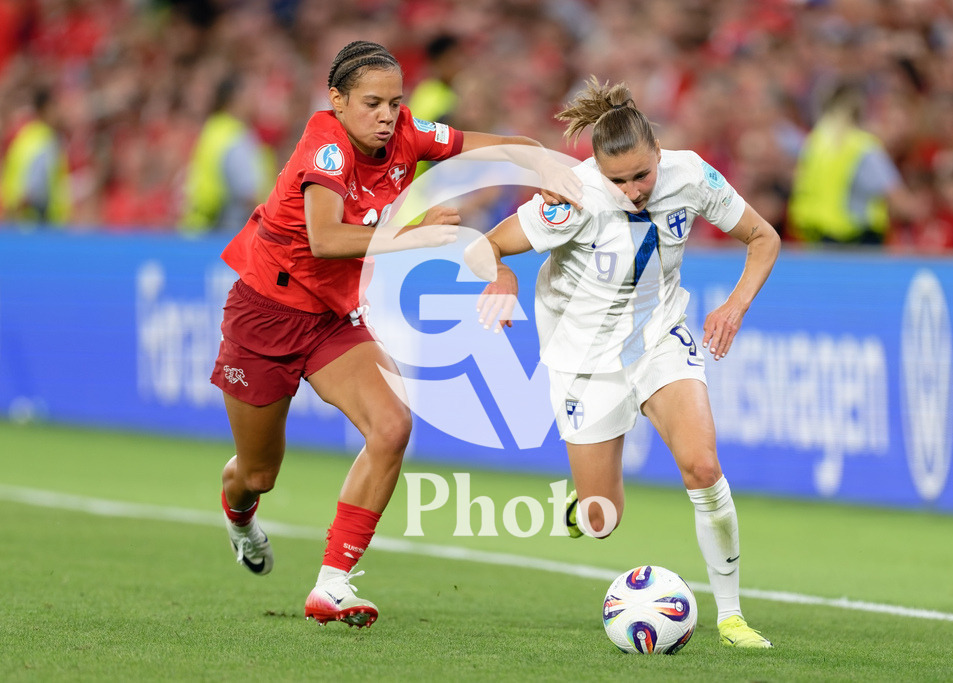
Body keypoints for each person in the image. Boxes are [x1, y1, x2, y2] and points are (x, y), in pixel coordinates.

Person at [212, 40, 577, 629]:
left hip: (332, 318)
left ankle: (332, 584)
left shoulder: (405, 132)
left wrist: (545, 166)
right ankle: (238, 515)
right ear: (337, 101)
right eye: (371, 104)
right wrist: (416, 235)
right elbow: (326, 239)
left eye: (394, 103)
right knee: (258, 475)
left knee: (392, 424)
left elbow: (487, 148)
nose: (386, 116)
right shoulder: (325, 146)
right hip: (267, 313)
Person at [466, 77, 781, 648]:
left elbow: (763, 237)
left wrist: (735, 305)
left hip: (658, 336)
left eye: (642, 175)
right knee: (601, 521)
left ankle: (731, 615)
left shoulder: (691, 176)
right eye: (619, 180)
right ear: (596, 170)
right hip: (583, 356)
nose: (634, 190)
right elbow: (482, 245)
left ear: (659, 154)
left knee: (703, 468)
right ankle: (582, 502)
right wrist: (504, 274)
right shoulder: (573, 196)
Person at [787, 80, 923, 245]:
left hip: (815, 237)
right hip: (855, 241)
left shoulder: (817, 141)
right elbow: (900, 202)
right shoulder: (864, 146)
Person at [180, 74, 276, 233]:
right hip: (226, 231)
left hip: (201, 226)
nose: (255, 100)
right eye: (250, 93)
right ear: (235, 99)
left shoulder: (213, 129)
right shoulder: (236, 136)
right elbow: (249, 194)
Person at [0, 86, 72, 226]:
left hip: (18, 220)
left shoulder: (25, 137)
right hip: (37, 223)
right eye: (55, 107)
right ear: (45, 109)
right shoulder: (45, 140)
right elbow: (35, 188)